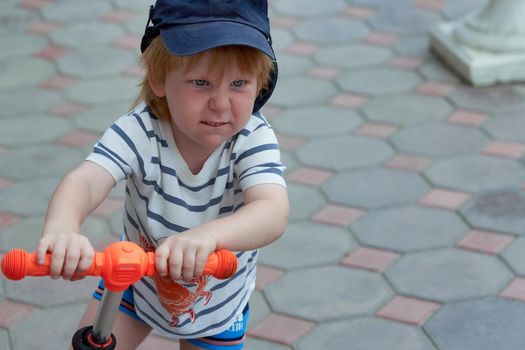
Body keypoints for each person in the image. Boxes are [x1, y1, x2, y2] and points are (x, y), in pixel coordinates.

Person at [35, 0, 289, 349]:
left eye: (239, 83)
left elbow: (272, 211)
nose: (220, 102)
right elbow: (86, 180)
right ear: (158, 78)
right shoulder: (140, 130)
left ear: (260, 83)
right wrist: (63, 227)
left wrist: (208, 237)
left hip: (216, 305)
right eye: (201, 82)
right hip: (134, 285)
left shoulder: (252, 138)